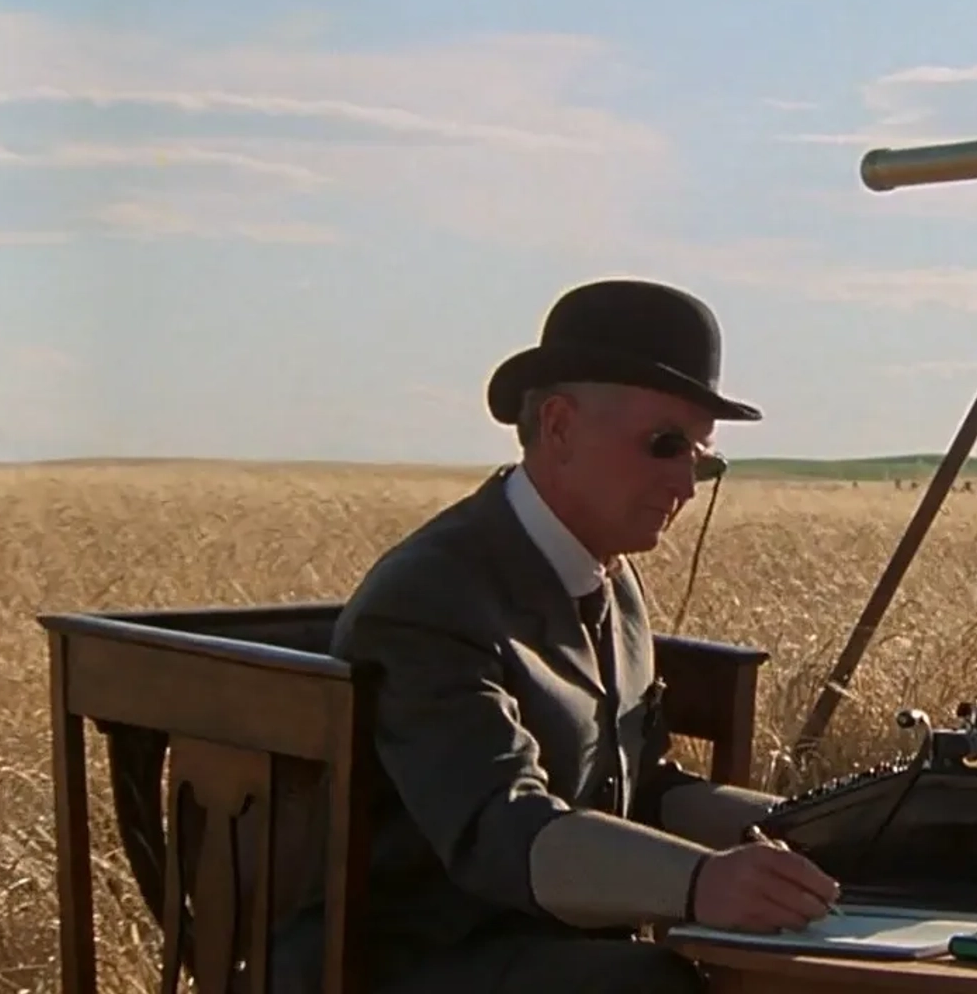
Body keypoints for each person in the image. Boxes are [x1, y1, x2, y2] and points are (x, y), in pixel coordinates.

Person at [272, 279, 839, 993]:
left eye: (700, 457)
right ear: (560, 426)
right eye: (664, 444)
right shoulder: (430, 598)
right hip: (411, 959)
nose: (685, 484)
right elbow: (500, 831)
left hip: (546, 953)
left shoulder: (610, 579)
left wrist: (834, 829)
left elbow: (641, 788)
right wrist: (699, 883)